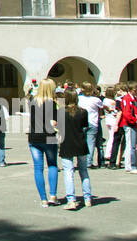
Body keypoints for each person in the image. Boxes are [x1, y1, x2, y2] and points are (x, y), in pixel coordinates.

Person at [27, 78, 60, 206]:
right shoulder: (52, 103)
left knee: (38, 168)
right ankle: (53, 195)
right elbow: (54, 122)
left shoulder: (33, 101)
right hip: (49, 136)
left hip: (34, 137)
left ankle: (43, 199)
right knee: (52, 165)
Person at [58, 90, 93, 209]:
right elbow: (85, 127)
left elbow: (60, 128)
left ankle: (71, 200)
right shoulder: (83, 112)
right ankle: (88, 198)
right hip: (81, 143)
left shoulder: (61, 112)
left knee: (68, 172)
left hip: (67, 143)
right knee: (83, 171)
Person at [118, 82, 137, 174]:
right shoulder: (127, 99)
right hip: (129, 124)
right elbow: (127, 112)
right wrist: (134, 120)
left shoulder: (133, 98)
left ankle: (134, 165)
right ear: (130, 90)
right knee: (130, 146)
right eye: (135, 90)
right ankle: (130, 166)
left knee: (135, 145)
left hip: (134, 124)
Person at [77, 83, 102, 167]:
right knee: (90, 143)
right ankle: (88, 162)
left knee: (81, 142)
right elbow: (102, 107)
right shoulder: (96, 99)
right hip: (92, 122)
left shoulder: (78, 98)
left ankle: (80, 161)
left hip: (80, 121)